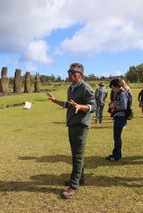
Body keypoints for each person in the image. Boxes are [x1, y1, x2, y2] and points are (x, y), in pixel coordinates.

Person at [46, 62, 96, 199]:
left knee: (78, 154)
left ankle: (73, 185)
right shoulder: (71, 88)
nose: (70, 74)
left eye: (73, 72)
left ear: (80, 74)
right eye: (69, 71)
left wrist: (81, 106)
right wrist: (55, 100)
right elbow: (68, 105)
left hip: (81, 125)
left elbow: (93, 106)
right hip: (72, 124)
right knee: (75, 153)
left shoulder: (85, 88)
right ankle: (80, 178)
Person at [106, 78, 129, 161]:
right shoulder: (119, 93)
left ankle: (117, 156)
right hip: (118, 117)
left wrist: (114, 107)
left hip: (121, 117)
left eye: (113, 88)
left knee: (117, 137)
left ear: (117, 86)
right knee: (116, 137)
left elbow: (124, 106)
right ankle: (116, 154)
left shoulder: (122, 93)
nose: (113, 90)